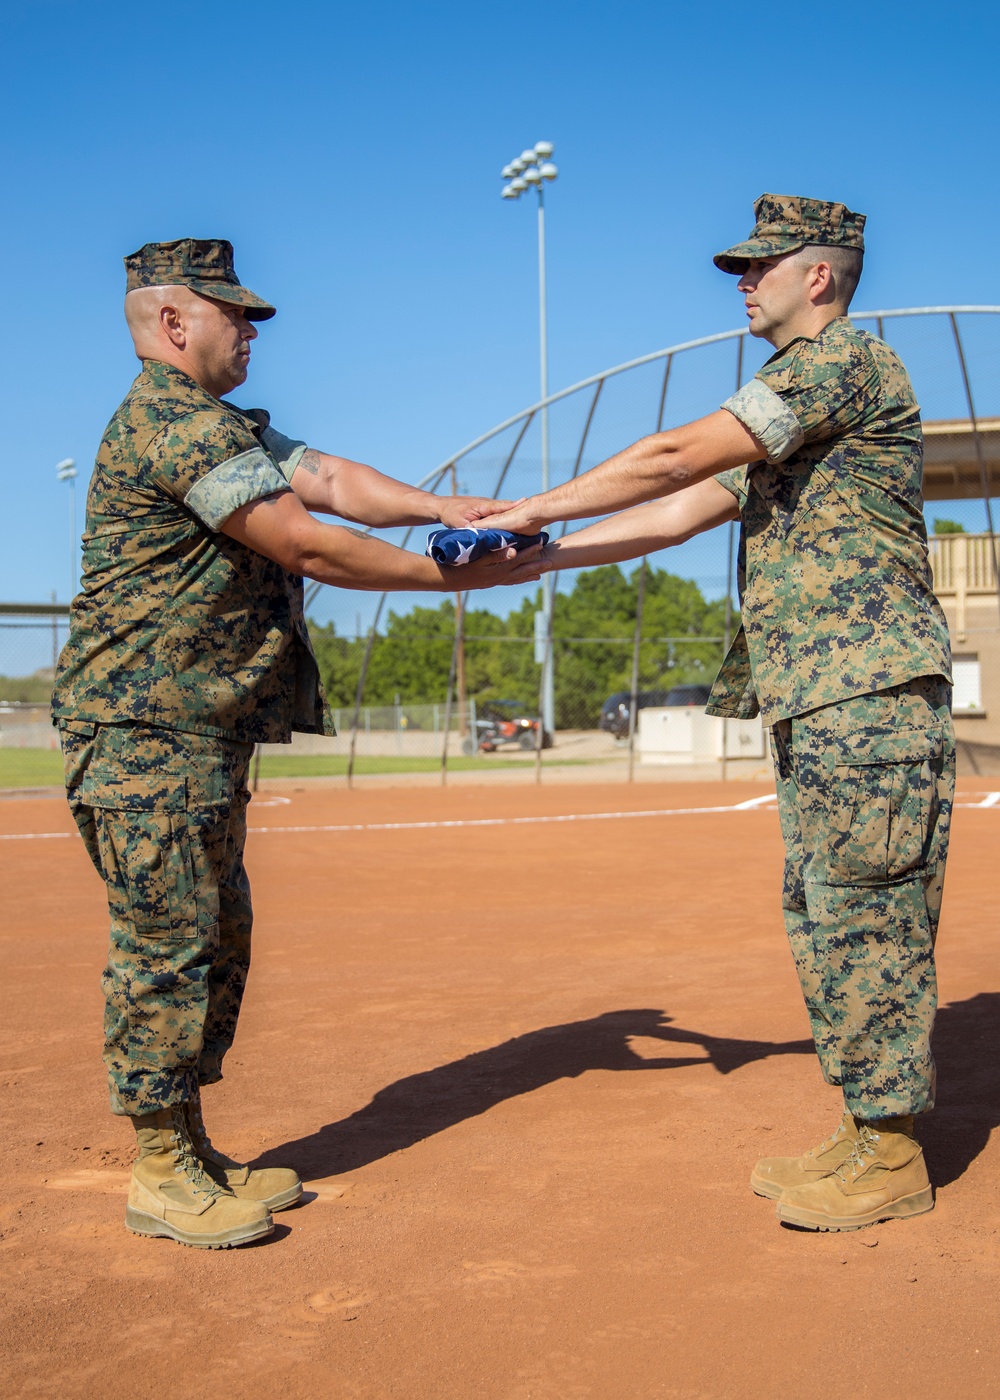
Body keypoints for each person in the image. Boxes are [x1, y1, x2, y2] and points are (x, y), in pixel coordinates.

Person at [52, 237, 540, 1249]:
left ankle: (187, 1141)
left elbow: (329, 479)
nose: (256, 329)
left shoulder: (217, 424)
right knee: (167, 945)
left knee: (213, 934)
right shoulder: (169, 422)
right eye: (239, 313)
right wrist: (450, 576)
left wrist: (438, 505)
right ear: (177, 324)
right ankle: (158, 1166)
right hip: (145, 733)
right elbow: (304, 537)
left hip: (194, 735)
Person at [489, 194, 954, 1232]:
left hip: (864, 693)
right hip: (823, 696)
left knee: (870, 912)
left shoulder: (841, 365)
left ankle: (890, 1149)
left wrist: (525, 506)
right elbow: (679, 508)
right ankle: (861, 1123)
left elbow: (670, 459)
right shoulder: (798, 405)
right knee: (830, 909)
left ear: (819, 277)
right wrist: (548, 552)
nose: (741, 282)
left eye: (760, 265)